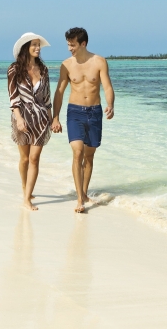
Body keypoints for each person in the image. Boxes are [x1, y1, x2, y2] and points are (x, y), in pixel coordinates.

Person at [51, 27, 115, 213]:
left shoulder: (99, 61)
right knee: (77, 152)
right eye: (68, 45)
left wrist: (110, 105)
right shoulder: (66, 65)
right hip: (75, 112)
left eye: (72, 45)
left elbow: (107, 87)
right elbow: (60, 92)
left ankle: (85, 192)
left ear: (83, 44)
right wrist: (55, 117)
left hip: (95, 112)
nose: (69, 48)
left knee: (89, 155)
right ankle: (80, 199)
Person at [8, 32, 52, 211]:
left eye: (38, 44)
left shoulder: (44, 69)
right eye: (34, 44)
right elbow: (13, 97)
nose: (37, 47)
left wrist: (52, 118)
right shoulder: (14, 69)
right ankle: (25, 187)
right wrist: (18, 119)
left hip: (41, 119)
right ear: (25, 47)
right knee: (25, 159)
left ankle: (27, 199)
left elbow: (47, 96)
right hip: (22, 117)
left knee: (34, 159)